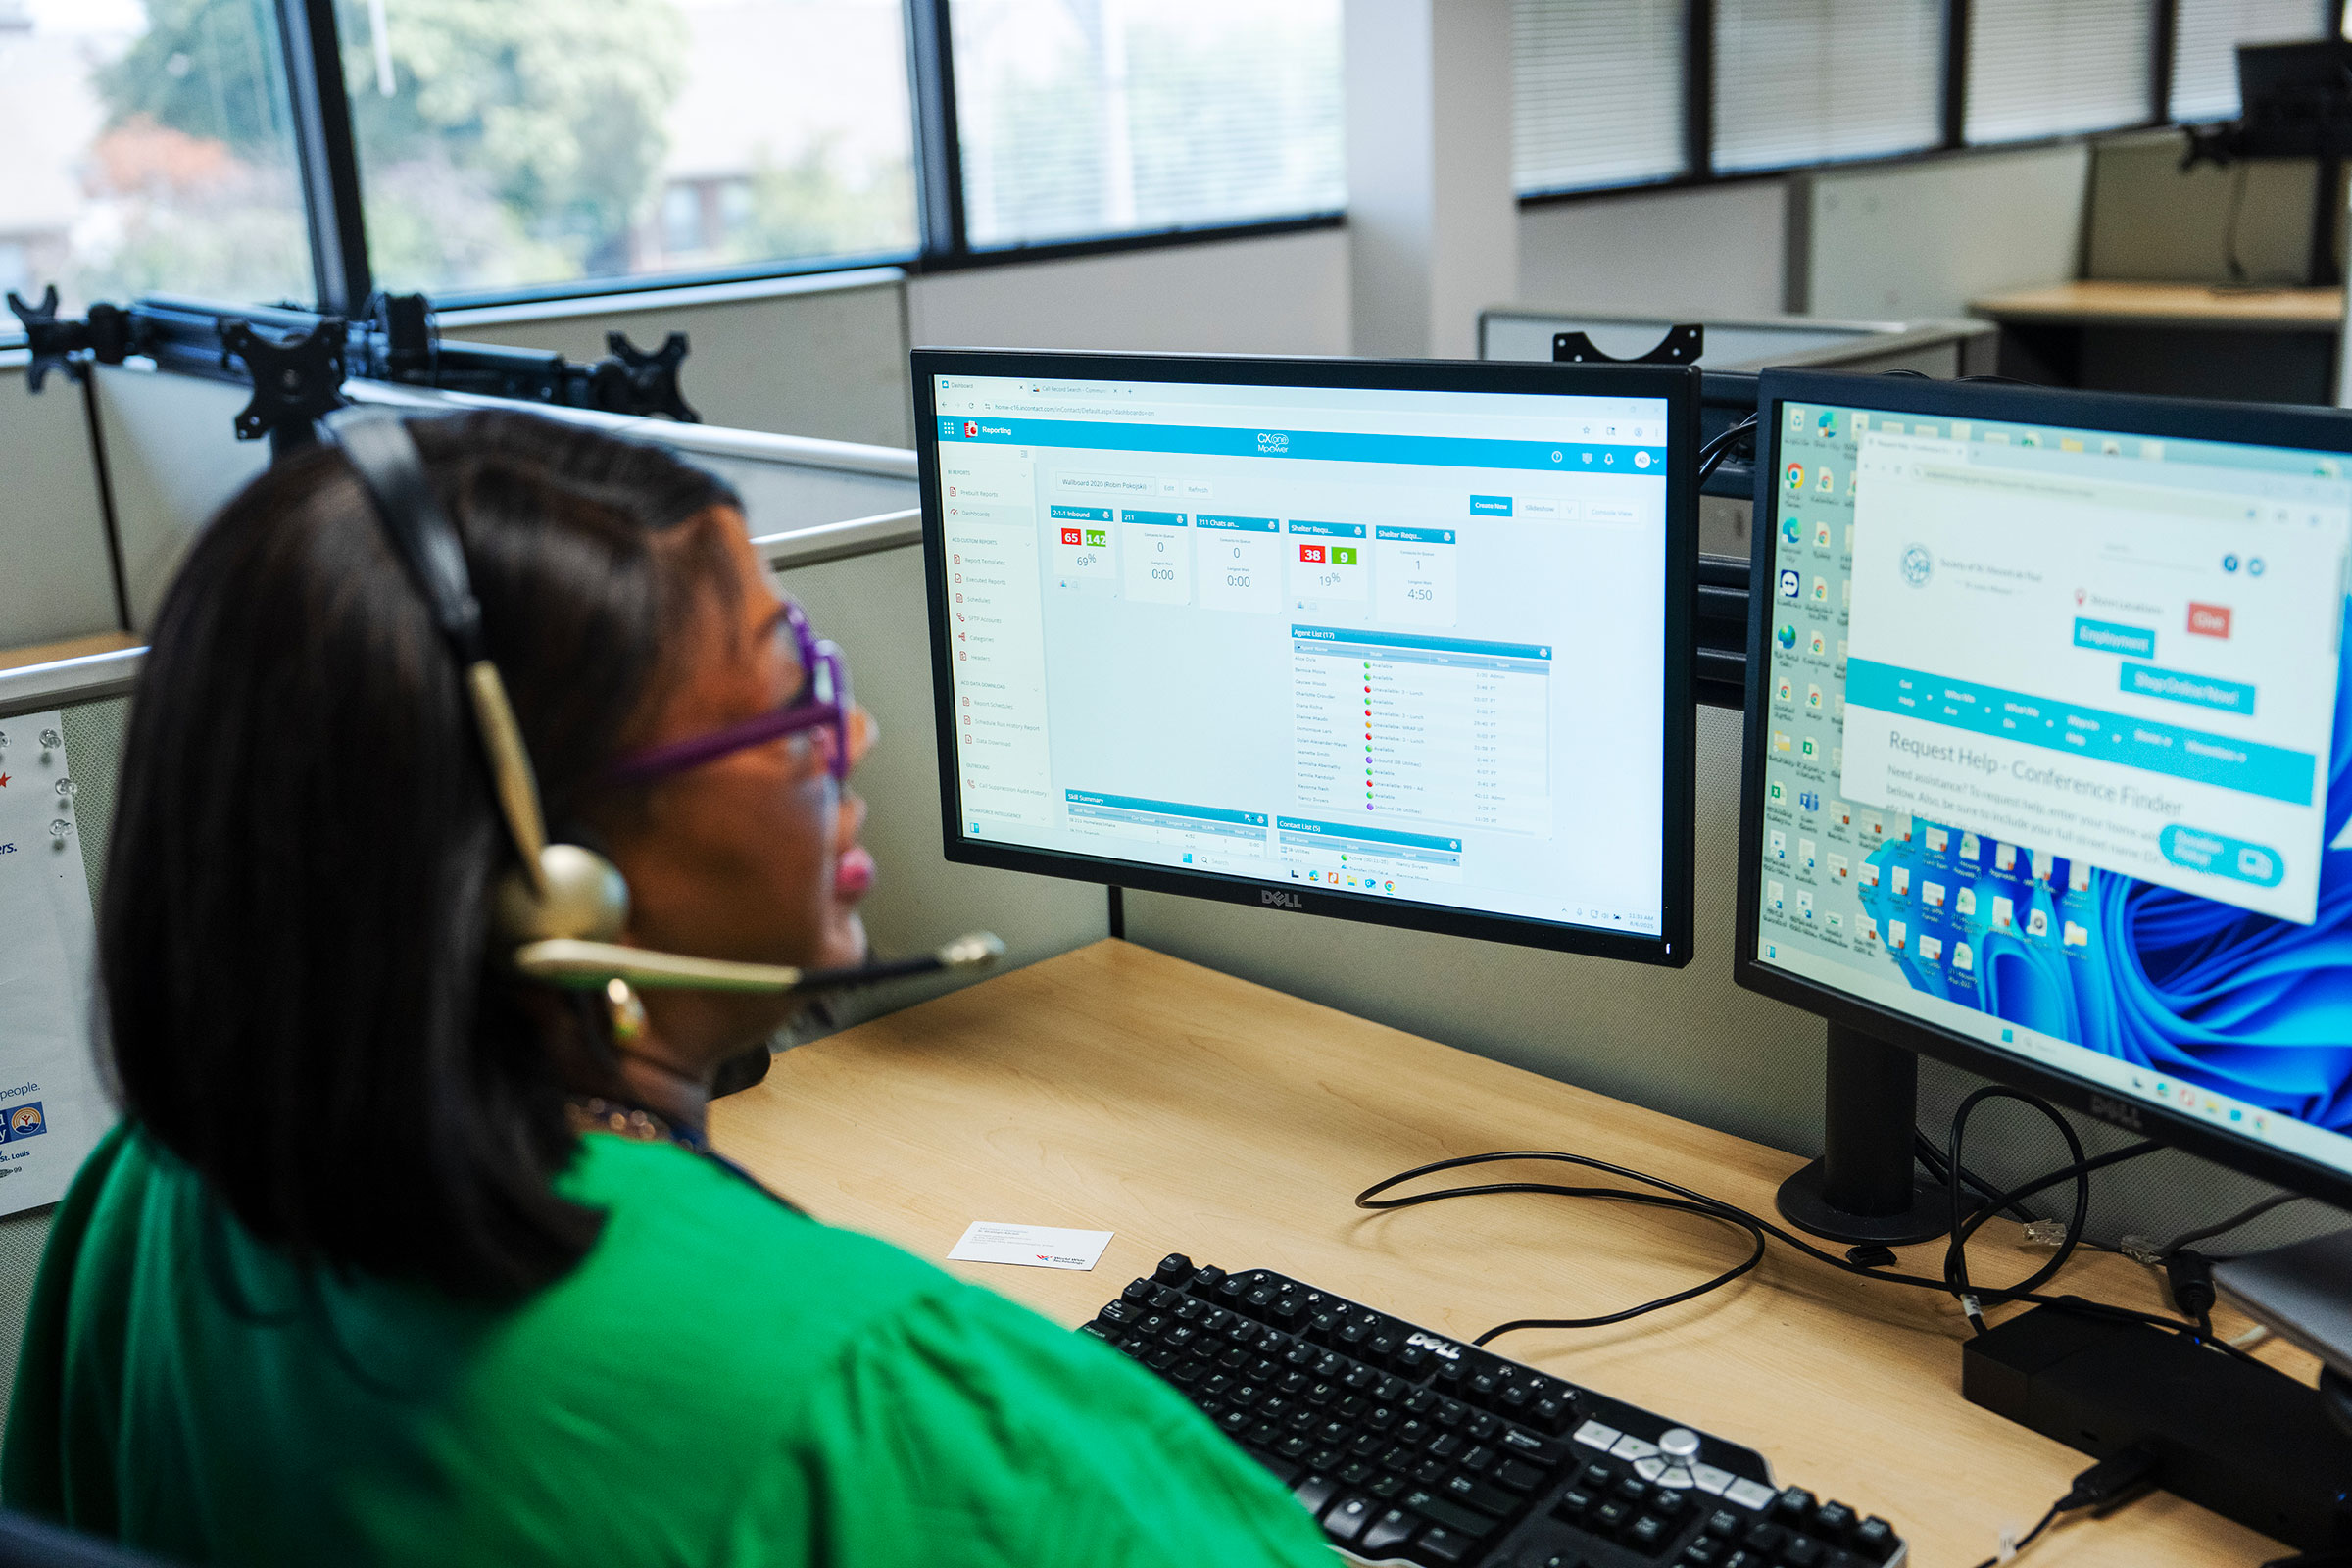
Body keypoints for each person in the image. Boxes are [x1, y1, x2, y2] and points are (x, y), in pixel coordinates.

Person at [2, 411, 1334, 1567]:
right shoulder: (858, 1395)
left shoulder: (153, 1193)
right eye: (788, 697)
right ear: (553, 876)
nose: (852, 732)